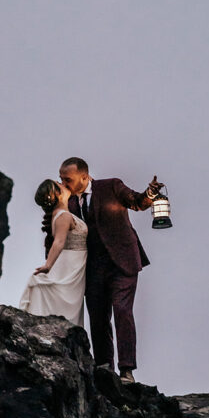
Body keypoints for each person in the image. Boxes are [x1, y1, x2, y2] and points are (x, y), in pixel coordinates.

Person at [59, 157, 162, 383]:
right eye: (61, 179)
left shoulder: (111, 186)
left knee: (122, 311)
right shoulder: (66, 201)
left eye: (67, 179)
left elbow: (137, 202)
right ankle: (105, 367)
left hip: (123, 261)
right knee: (97, 316)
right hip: (91, 267)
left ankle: (127, 370)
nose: (63, 183)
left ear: (84, 177)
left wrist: (151, 193)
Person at [19, 179, 88, 326]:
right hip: (69, 265)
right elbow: (59, 241)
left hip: (74, 264)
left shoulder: (61, 214)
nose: (64, 185)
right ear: (57, 193)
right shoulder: (63, 216)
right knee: (65, 304)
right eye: (60, 185)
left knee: (69, 304)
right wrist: (48, 265)